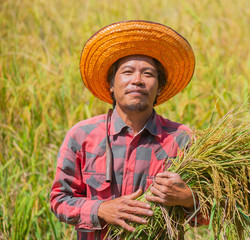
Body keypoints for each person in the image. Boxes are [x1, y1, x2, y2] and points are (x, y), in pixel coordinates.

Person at [50, 20, 208, 240]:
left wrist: (188, 199)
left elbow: (208, 214)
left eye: (148, 74)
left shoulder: (181, 139)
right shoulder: (82, 136)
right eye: (127, 72)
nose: (137, 80)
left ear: (160, 87)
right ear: (111, 85)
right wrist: (101, 209)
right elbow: (60, 200)